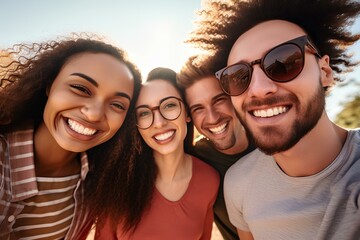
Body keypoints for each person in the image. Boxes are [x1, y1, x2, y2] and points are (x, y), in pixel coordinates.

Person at [186, 0, 360, 239]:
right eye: (239, 76)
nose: (258, 89)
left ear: (325, 72)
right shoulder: (237, 183)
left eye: (285, 62)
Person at [0, 35, 142, 240]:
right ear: (50, 84)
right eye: (81, 88)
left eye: (118, 105)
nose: (94, 114)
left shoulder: (97, 180)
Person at [94, 67, 220, 240]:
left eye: (169, 105)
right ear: (136, 125)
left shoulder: (209, 180)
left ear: (187, 113)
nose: (159, 123)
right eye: (144, 113)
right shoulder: (118, 182)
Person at [177, 56, 255, 240]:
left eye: (219, 100)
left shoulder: (275, 143)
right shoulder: (194, 161)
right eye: (198, 109)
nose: (212, 118)